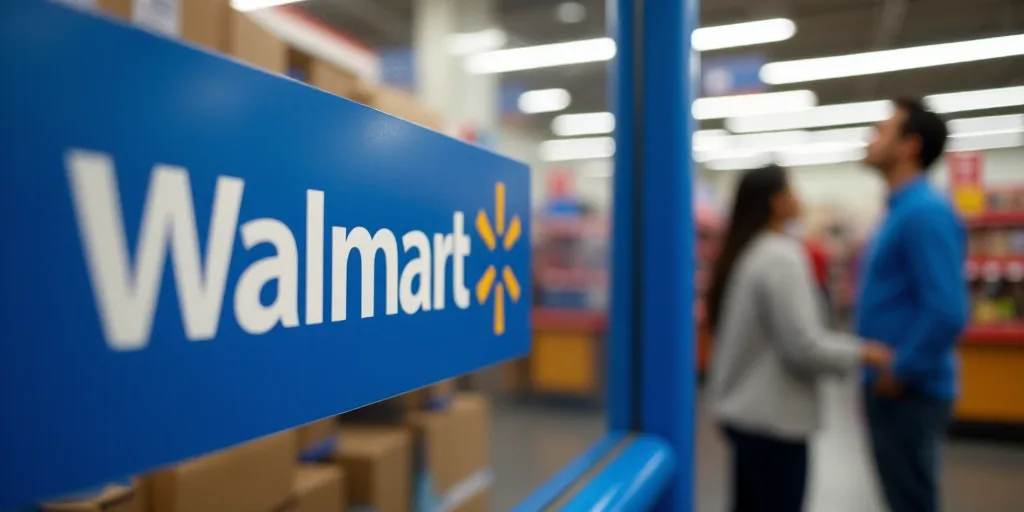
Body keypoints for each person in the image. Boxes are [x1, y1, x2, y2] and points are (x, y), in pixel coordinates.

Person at [706, 164, 894, 512]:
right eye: (792, 189)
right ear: (777, 201)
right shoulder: (781, 257)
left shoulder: (747, 254)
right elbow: (804, 347)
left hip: (745, 416)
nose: (800, 197)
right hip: (774, 422)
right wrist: (866, 353)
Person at [858, 98, 968, 512]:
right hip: (891, 383)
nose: (870, 139)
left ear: (909, 146)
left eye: (882, 130)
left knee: (911, 501)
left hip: (909, 387)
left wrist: (901, 369)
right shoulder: (900, 211)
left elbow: (947, 309)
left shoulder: (925, 213)